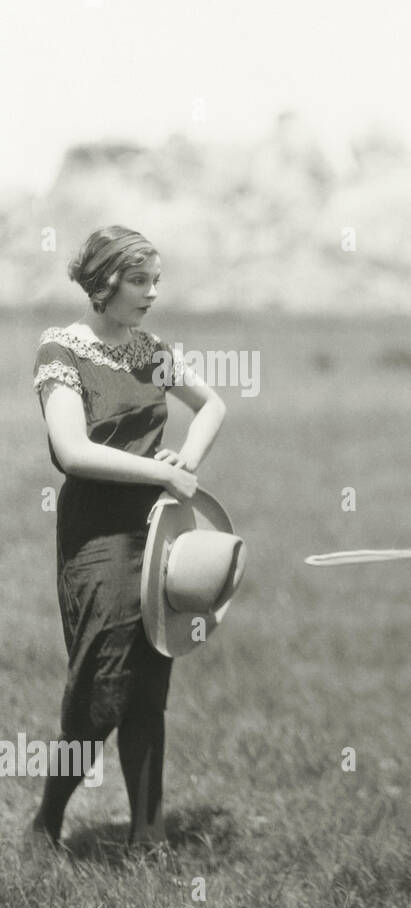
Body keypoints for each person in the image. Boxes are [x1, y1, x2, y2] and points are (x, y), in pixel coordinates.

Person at [27, 226, 227, 856]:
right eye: (140, 281)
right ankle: (46, 820)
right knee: (101, 688)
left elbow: (213, 403)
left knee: (148, 684)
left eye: (155, 282)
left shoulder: (151, 349)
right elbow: (72, 451)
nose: (151, 294)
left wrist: (185, 460)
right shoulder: (61, 349)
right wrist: (163, 471)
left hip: (159, 532)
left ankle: (149, 838)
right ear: (105, 281)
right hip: (97, 537)